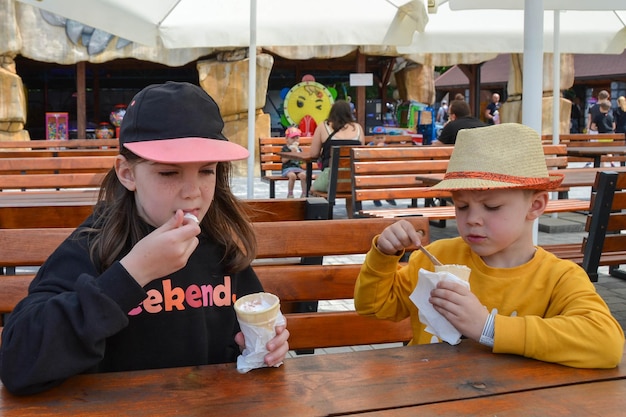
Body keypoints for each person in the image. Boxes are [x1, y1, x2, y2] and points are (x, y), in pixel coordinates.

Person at [0, 82, 290, 395]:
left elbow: (234, 346)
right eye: (169, 173)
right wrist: (132, 273)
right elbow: (18, 363)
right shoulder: (93, 245)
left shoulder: (219, 244)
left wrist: (262, 346)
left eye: (207, 171)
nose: (193, 192)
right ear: (127, 174)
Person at [354, 123, 624, 369]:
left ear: (536, 205)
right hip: (425, 396)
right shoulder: (437, 257)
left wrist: (488, 327)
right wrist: (383, 255)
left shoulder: (557, 278)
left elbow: (606, 343)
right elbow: (374, 307)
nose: (472, 219)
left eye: (492, 207)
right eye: (461, 206)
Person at [310, 99, 365, 192]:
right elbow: (361, 154)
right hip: (353, 179)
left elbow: (314, 154)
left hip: (330, 177)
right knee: (350, 193)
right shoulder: (358, 128)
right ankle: (351, 206)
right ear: (349, 113)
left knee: (313, 190)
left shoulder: (323, 126)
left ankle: (328, 206)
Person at [367, 131, 397, 207]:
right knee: (376, 180)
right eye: (377, 138)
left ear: (385, 138)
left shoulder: (387, 147)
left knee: (388, 178)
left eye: (382, 138)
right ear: (372, 138)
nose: (380, 140)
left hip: (384, 169)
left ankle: (388, 197)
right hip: (372, 170)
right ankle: (376, 198)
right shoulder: (369, 146)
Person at [281, 126, 307, 198]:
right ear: (287, 139)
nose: (295, 140)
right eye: (292, 138)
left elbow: (302, 162)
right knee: (292, 176)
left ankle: (304, 193)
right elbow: (283, 161)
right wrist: (292, 153)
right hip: (287, 168)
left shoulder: (299, 149)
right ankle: (290, 193)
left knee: (303, 176)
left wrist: (300, 156)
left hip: (298, 168)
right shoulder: (285, 148)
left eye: (297, 138)